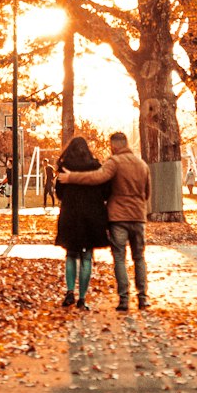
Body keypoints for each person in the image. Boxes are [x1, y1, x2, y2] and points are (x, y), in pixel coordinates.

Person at [59, 130, 151, 312]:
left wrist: (71, 178)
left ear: (114, 146)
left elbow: (97, 178)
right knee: (139, 257)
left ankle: (124, 299)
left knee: (119, 258)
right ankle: (143, 297)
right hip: (138, 217)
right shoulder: (142, 165)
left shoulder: (114, 162)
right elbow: (147, 192)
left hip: (118, 217)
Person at [54, 136, 112, 310]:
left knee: (71, 254)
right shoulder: (96, 167)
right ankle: (82, 298)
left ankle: (70, 290)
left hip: (71, 215)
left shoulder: (64, 168)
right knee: (87, 257)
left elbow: (59, 193)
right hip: (92, 216)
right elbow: (106, 192)